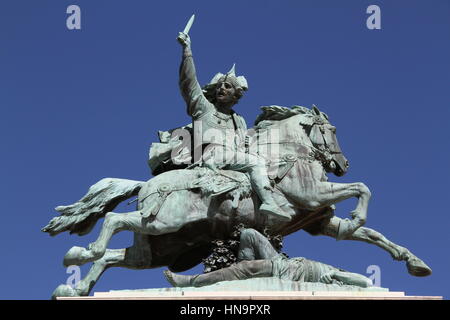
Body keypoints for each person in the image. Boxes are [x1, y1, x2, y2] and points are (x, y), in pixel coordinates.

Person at [177, 30, 291, 222]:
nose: (222, 88)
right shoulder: (204, 108)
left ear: (236, 95)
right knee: (256, 164)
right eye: (220, 85)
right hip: (211, 156)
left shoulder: (239, 120)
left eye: (227, 86)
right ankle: (269, 202)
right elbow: (189, 83)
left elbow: (244, 146)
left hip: (231, 160)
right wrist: (187, 51)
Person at [164, 228, 373, 288]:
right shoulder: (337, 272)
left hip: (288, 271)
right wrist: (338, 273)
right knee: (249, 234)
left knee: (248, 268)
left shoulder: (334, 280)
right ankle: (239, 272)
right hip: (283, 260)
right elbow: (364, 280)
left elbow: (367, 282)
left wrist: (339, 278)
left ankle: (192, 282)